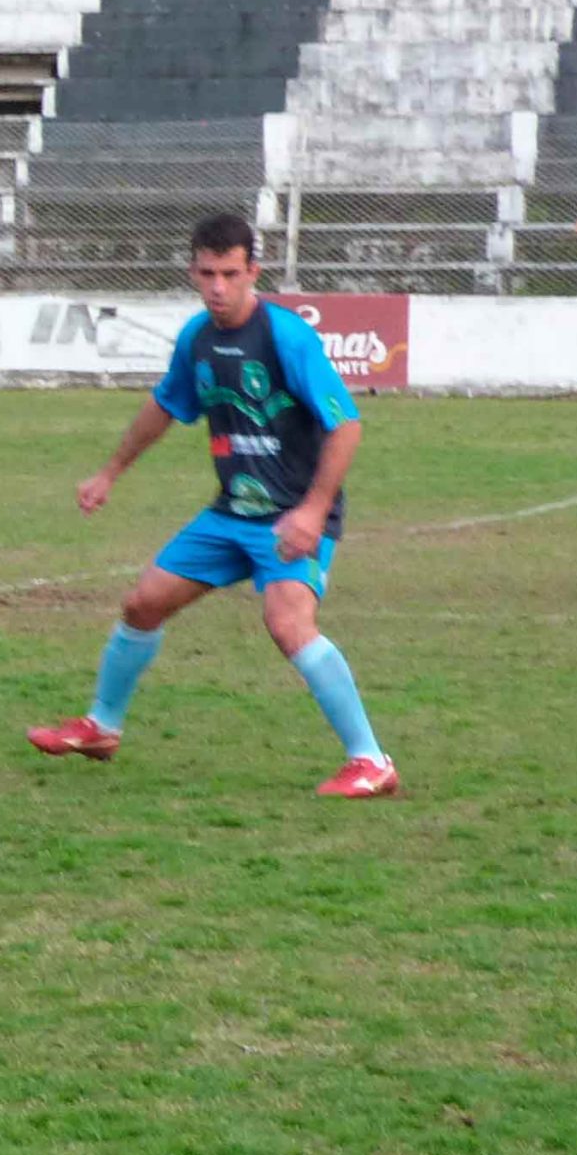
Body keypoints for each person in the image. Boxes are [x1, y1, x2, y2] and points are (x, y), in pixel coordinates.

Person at [26, 212, 398, 799]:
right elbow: (165, 407)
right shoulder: (197, 338)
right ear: (192, 272)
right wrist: (109, 472)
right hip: (231, 513)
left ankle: (371, 761)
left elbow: (345, 424)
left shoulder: (286, 338)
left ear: (254, 272)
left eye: (229, 273)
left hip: (291, 516)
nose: (218, 287)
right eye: (207, 274)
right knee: (143, 603)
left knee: (288, 624)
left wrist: (312, 511)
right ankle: (102, 727)